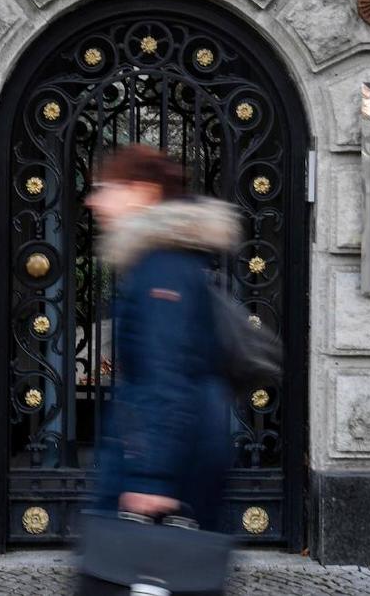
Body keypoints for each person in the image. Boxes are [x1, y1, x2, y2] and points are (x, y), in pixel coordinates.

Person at [86, 144, 239, 531]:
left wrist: (152, 479)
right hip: (168, 456)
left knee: (147, 575)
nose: (94, 200)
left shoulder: (164, 268)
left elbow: (165, 373)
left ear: (143, 191)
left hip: (168, 468)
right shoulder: (159, 260)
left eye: (106, 187)